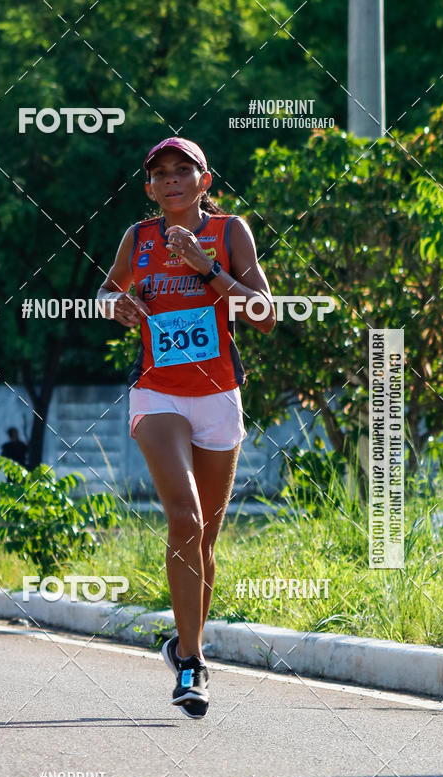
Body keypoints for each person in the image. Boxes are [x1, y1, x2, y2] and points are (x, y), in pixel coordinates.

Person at [98, 137, 275, 719]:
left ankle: (183, 642)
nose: (172, 179)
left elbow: (264, 314)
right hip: (158, 394)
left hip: (219, 397)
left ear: (205, 179)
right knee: (184, 517)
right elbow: (108, 290)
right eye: (160, 173)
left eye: (183, 170)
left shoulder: (230, 232)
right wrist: (113, 307)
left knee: (205, 540)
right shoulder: (138, 239)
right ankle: (194, 663)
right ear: (150, 188)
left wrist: (209, 270)